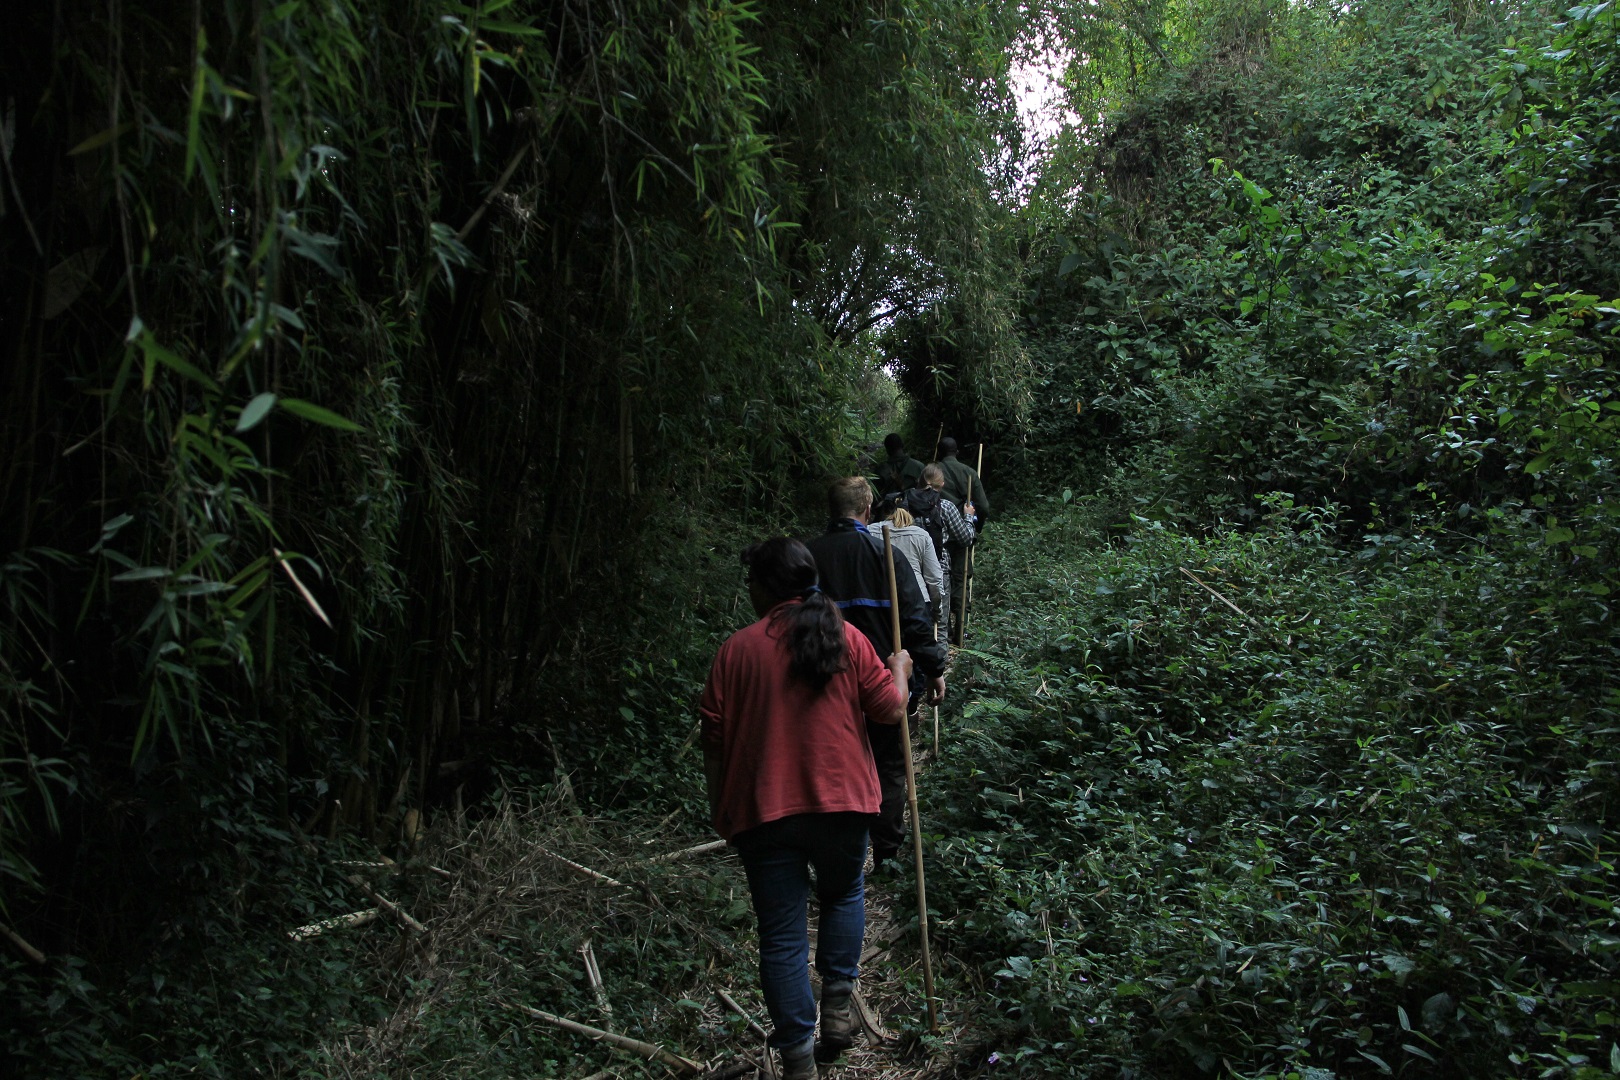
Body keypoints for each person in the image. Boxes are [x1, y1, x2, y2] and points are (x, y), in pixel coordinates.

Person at [700, 538, 912, 1078]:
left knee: (783, 935)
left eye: (751, 583)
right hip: (842, 803)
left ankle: (797, 1059)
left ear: (767, 589)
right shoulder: (845, 638)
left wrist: (720, 804)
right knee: (843, 894)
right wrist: (901, 668)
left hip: (765, 811)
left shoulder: (736, 650)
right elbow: (890, 709)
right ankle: (837, 1004)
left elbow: (715, 739)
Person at [806, 477, 946, 870]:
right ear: (867, 509)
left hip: (823, 682)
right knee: (888, 765)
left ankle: (836, 858)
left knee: (831, 765)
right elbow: (916, 621)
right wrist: (934, 669)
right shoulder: (882, 553)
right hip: (885, 680)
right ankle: (887, 853)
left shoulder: (808, 557)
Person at [916, 463, 975, 647]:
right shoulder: (946, 507)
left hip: (914, 570)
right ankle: (938, 668)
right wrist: (968, 517)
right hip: (940, 568)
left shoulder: (908, 505)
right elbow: (966, 538)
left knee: (918, 621)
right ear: (941, 485)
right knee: (940, 624)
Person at [872, 504, 943, 631]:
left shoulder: (869, 532)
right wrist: (937, 608)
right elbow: (934, 578)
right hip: (917, 600)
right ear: (910, 514)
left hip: (880, 600)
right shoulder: (921, 535)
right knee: (917, 648)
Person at [936, 436, 990, 527]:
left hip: (937, 528)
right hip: (963, 526)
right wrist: (976, 526)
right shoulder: (970, 472)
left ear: (938, 453)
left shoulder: (930, 472)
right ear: (957, 452)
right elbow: (983, 507)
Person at [875, 433, 925, 497]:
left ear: (887, 450)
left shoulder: (881, 470)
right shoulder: (920, 467)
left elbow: (875, 496)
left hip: (890, 506)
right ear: (902, 445)